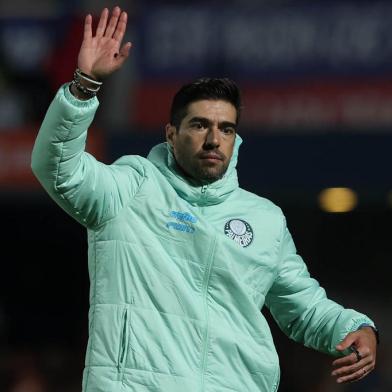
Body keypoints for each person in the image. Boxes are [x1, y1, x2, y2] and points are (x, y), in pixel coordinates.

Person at [31, 6, 378, 392]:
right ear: (170, 133)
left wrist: (355, 326)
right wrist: (84, 86)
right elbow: (57, 169)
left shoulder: (264, 219)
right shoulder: (130, 187)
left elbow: (302, 306)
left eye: (226, 129)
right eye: (199, 125)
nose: (214, 139)